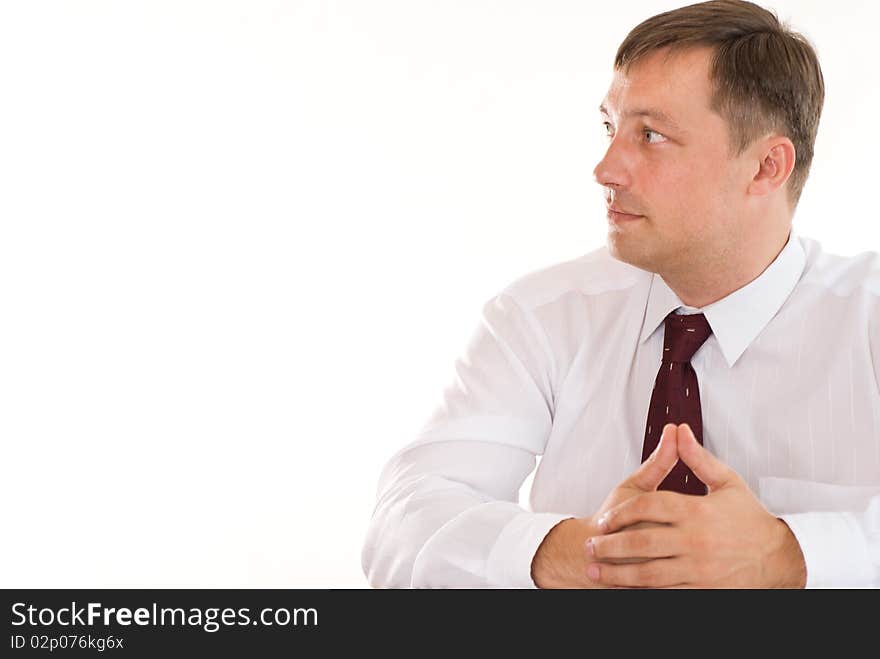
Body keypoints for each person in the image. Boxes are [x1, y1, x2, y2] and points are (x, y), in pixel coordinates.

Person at [361, 0, 880, 588]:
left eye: (651, 135)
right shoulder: (542, 316)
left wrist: (788, 555)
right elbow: (402, 522)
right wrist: (580, 553)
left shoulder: (868, 318)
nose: (606, 168)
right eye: (611, 128)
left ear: (766, 167)